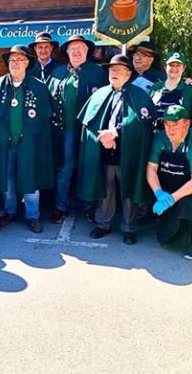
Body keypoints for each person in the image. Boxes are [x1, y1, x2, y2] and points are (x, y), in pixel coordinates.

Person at [76, 54, 156, 245]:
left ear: (128, 74)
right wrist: (103, 137)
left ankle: (129, 228)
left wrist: (116, 133)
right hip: (104, 151)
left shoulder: (139, 95)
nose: (114, 73)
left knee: (128, 190)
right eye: (112, 70)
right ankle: (102, 223)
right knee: (106, 189)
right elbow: (90, 121)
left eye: (119, 70)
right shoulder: (100, 94)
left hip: (128, 154)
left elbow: (141, 124)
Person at [0, 45, 54, 233]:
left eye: (19, 60)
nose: (15, 64)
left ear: (27, 63)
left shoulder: (38, 86)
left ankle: (32, 216)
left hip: (29, 144)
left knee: (30, 179)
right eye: (12, 60)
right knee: (7, 179)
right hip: (5, 143)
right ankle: (10, 211)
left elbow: (44, 120)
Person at [48, 35, 107, 223]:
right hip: (64, 130)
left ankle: (89, 207)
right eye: (72, 47)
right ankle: (60, 206)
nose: (76, 50)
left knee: (89, 167)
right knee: (65, 168)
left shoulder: (99, 73)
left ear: (87, 50)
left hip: (89, 130)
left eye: (80, 47)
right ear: (66, 52)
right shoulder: (57, 73)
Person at [146, 104, 192, 260]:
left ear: (187, 124)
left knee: (191, 205)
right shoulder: (160, 138)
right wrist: (159, 193)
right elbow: (151, 169)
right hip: (167, 187)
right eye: (167, 124)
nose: (170, 129)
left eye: (175, 124)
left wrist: (172, 199)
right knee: (165, 239)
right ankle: (177, 229)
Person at [149, 51, 192, 134]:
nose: (174, 68)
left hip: (182, 140)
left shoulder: (190, 89)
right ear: (165, 67)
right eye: (171, 65)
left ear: (184, 68)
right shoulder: (156, 87)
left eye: (178, 65)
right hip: (157, 139)